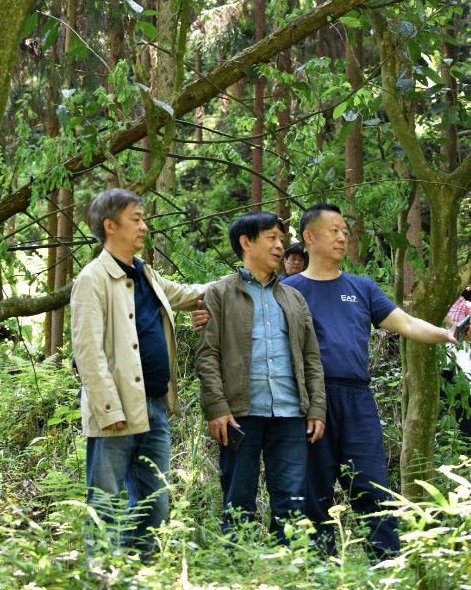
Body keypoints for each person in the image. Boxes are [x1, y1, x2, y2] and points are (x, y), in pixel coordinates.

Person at [282, 203, 461, 559]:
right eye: (333, 230)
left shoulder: (361, 287)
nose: (342, 237)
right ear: (309, 237)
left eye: (344, 231)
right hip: (308, 400)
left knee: (372, 485)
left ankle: (387, 565)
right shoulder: (287, 290)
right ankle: (320, 569)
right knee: (314, 490)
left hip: (357, 399)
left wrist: (446, 334)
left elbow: (406, 323)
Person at [70, 188, 206, 555]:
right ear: (110, 225)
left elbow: (188, 294)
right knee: (105, 502)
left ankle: (141, 570)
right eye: (137, 219)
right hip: (115, 409)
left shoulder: (146, 274)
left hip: (154, 405)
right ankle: (101, 574)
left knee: (154, 502)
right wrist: (108, 409)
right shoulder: (93, 278)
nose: (145, 226)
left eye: (144, 219)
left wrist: (240, 280)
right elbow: (87, 352)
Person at [194, 211, 326, 544]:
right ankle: (239, 563)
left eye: (282, 239)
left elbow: (311, 357)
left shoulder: (293, 297)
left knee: (292, 501)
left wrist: (317, 408)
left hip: (291, 413)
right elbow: (207, 356)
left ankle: (287, 562)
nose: (280, 246)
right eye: (272, 238)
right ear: (246, 242)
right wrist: (216, 408)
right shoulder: (220, 293)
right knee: (238, 499)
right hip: (239, 415)